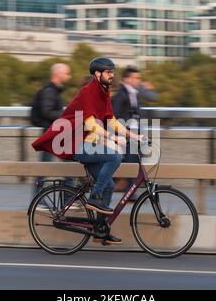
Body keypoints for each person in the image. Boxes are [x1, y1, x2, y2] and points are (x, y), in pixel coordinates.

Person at [32, 57, 143, 245]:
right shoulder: (88, 92)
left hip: (89, 144)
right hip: (75, 143)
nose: (112, 75)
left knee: (108, 185)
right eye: (109, 72)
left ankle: (100, 230)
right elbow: (90, 123)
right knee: (115, 156)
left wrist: (132, 136)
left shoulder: (104, 92)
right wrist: (113, 138)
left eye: (113, 72)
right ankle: (94, 197)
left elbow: (111, 120)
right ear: (98, 74)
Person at [112, 66, 157, 198]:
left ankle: (130, 188)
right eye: (136, 78)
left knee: (136, 161)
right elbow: (115, 117)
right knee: (133, 162)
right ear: (127, 79)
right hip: (127, 134)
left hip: (135, 134)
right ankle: (129, 190)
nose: (138, 80)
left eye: (139, 78)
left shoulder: (133, 93)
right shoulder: (121, 95)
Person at [30, 63, 72, 195]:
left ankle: (67, 198)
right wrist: (65, 115)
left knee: (68, 167)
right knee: (48, 169)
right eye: (67, 73)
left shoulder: (55, 91)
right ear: (58, 74)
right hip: (52, 135)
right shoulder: (49, 91)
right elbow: (47, 112)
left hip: (56, 134)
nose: (69, 76)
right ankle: (39, 199)